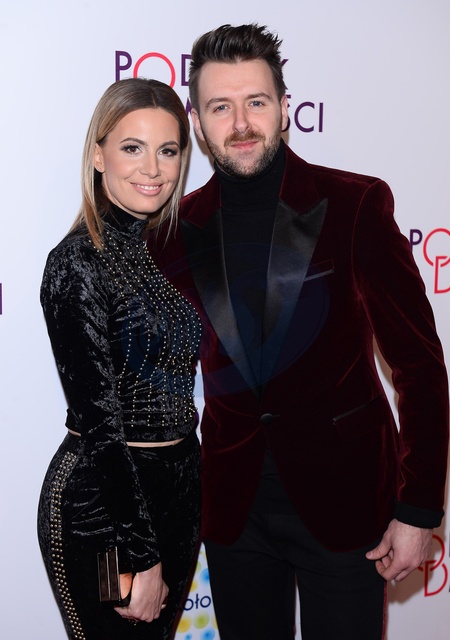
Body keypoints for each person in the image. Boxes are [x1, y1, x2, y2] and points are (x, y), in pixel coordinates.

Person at [148, 23, 450, 640]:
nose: (241, 123)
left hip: (348, 504)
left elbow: (419, 366)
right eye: (220, 107)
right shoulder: (175, 231)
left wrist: (419, 509)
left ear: (285, 108)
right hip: (234, 513)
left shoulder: (355, 205)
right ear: (197, 124)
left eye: (256, 102)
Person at [38, 77, 201, 640]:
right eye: (133, 147)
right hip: (103, 507)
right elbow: (101, 427)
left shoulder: (166, 252)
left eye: (168, 150)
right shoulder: (76, 262)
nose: (152, 168)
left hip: (179, 493)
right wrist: (142, 555)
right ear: (97, 154)